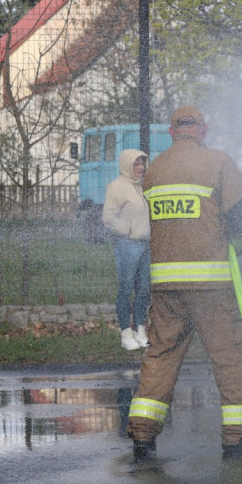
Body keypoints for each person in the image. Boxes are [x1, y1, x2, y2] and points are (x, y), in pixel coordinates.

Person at [125, 105, 242, 461]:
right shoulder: (218, 163)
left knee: (161, 353)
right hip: (211, 285)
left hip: (166, 287)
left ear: (172, 132)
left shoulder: (154, 170)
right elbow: (241, 219)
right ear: (203, 130)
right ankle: (239, 437)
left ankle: (142, 433)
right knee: (230, 354)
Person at [102, 149, 151, 350]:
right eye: (136, 164)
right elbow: (108, 217)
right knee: (126, 288)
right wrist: (128, 229)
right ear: (126, 165)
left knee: (145, 289)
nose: (140, 168)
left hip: (146, 245)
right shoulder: (116, 187)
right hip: (127, 245)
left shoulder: (143, 186)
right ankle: (125, 332)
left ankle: (140, 328)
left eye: (142, 164)